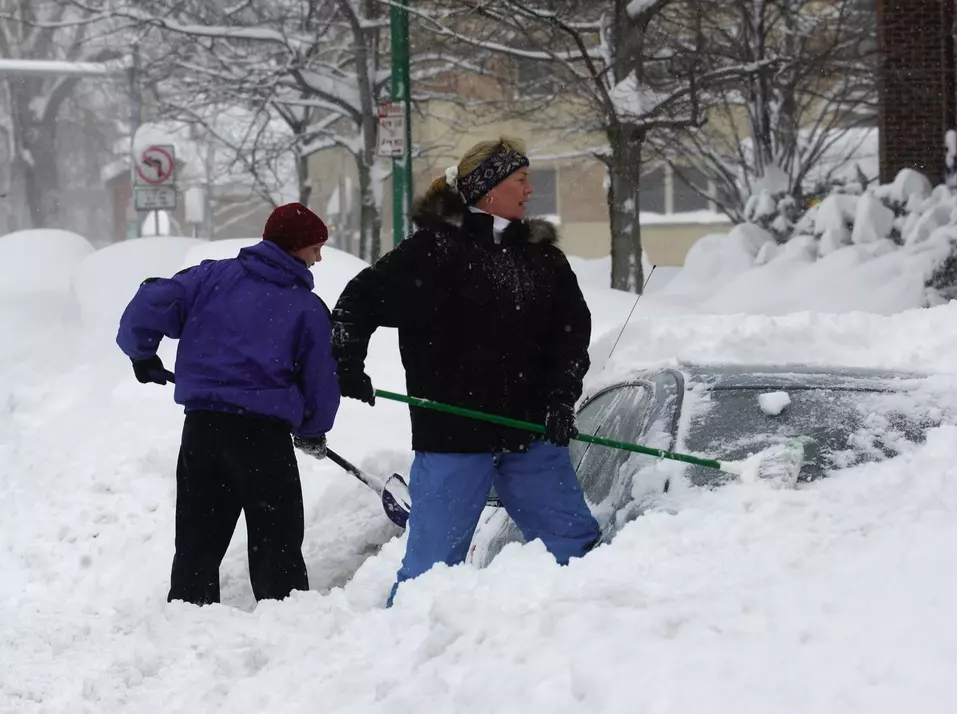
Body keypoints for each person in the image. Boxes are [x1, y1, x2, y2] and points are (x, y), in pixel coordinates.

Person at [331, 137, 601, 606]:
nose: (530, 191)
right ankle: (403, 653)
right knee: (430, 571)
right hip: (452, 438)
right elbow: (357, 303)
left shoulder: (542, 259)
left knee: (575, 550)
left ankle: (576, 639)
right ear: (489, 187)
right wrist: (347, 365)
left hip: (529, 434)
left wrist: (562, 395)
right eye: (521, 180)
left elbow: (572, 334)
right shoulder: (433, 253)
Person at [116, 202, 341, 606]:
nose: (319, 257)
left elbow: (149, 303)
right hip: (264, 442)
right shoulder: (306, 309)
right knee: (277, 543)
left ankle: (188, 614)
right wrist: (312, 429)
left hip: (204, 431)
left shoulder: (209, 277)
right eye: (314, 247)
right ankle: (288, 622)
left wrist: (142, 354)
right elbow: (321, 380)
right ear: (293, 248)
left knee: (197, 539)